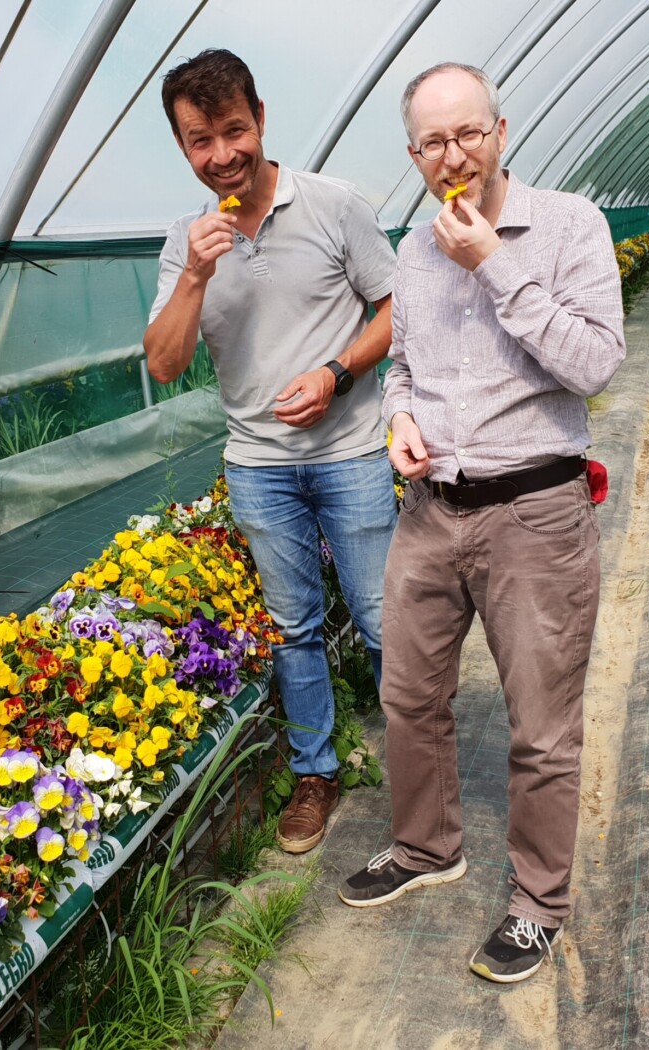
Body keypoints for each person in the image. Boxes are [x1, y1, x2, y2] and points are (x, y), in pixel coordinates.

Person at [337, 62, 625, 985]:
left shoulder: (571, 225)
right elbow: (406, 368)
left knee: (543, 729)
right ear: (413, 154)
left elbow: (594, 363)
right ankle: (427, 848)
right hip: (433, 509)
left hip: (535, 513)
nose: (452, 157)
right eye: (432, 142)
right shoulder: (414, 252)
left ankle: (539, 903)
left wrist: (494, 265)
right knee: (408, 698)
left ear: (501, 131)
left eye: (468, 135)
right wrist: (401, 421)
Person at [143, 49, 399, 854]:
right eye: (198, 140)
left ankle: (421, 766)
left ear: (260, 120)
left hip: (352, 450)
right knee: (294, 629)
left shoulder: (333, 206)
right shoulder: (183, 248)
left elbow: (399, 308)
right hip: (258, 466)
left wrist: (336, 372)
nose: (220, 154)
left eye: (233, 130)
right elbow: (163, 363)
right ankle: (315, 772)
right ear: (182, 147)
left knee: (385, 618)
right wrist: (193, 274)